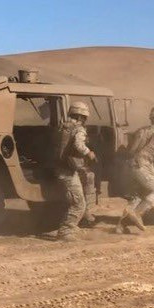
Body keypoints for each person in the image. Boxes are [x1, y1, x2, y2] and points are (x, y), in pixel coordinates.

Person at [54, 101, 97, 241]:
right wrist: (89, 152)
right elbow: (79, 145)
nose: (85, 120)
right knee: (79, 203)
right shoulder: (78, 129)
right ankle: (66, 231)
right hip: (67, 171)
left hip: (61, 167)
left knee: (75, 199)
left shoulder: (63, 126)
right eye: (84, 117)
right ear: (80, 116)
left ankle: (72, 227)